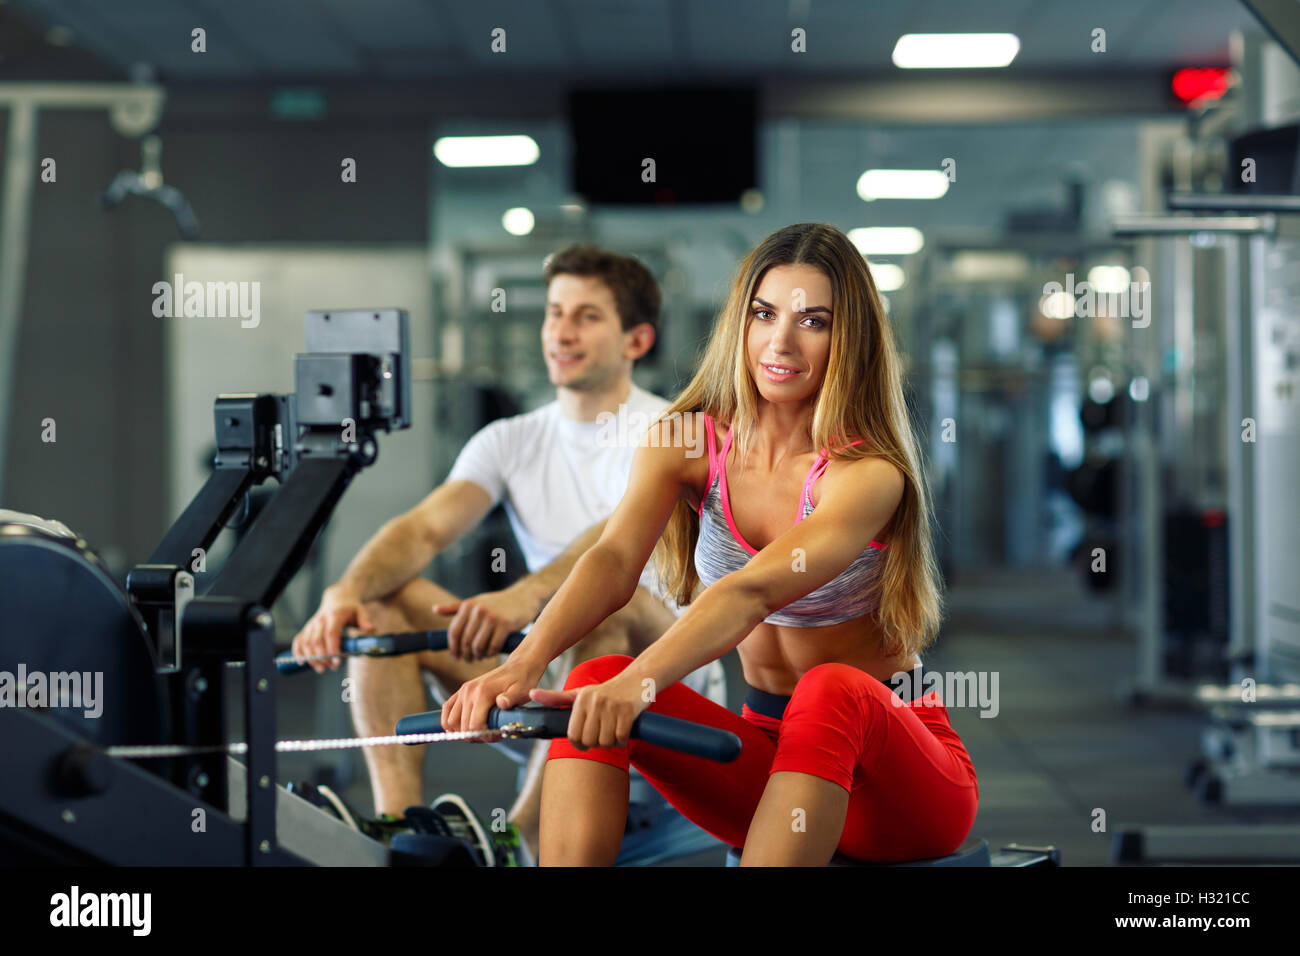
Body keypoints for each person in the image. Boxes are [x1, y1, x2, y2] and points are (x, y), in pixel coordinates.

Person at [443, 222, 978, 866]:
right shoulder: (687, 443)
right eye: (764, 313)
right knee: (593, 677)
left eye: (814, 321)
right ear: (740, 322)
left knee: (830, 688)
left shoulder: (866, 475)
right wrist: (520, 666)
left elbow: (752, 590)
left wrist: (642, 684)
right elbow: (614, 563)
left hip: (895, 790)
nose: (780, 341)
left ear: (850, 339)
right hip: (765, 765)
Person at [290, 243, 726, 864]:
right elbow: (423, 530)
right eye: (554, 313)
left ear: (637, 340)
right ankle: (396, 825)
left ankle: (521, 835)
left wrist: (524, 596)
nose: (562, 332)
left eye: (586, 316)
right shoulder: (512, 439)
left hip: (658, 676)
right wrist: (345, 593)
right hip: (543, 671)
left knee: (603, 611)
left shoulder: (674, 432)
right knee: (386, 600)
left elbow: (612, 548)